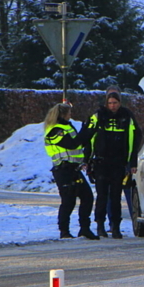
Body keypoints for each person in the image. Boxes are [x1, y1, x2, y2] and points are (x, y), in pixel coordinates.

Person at [87, 89, 140, 238]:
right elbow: (89, 138)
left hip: (118, 163)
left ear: (120, 103)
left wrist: (132, 162)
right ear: (106, 103)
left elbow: (134, 140)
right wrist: (87, 160)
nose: (112, 106)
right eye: (110, 103)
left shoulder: (127, 116)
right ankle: (100, 226)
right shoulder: (98, 116)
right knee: (102, 196)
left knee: (116, 197)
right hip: (101, 162)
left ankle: (115, 227)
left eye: (115, 103)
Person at [43, 102, 98, 240]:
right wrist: (87, 130)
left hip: (74, 169)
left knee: (87, 197)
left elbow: (80, 143)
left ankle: (84, 229)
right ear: (62, 114)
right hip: (63, 170)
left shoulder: (67, 126)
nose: (71, 115)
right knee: (68, 201)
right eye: (69, 113)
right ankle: (64, 231)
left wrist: (89, 130)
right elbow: (72, 144)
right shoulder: (54, 130)